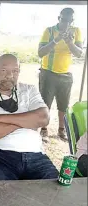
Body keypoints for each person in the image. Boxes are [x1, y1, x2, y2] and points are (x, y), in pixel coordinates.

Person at [0, 54, 59, 180]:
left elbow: (44, 118)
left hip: (36, 156)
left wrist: (1, 118)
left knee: (56, 192)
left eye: (15, 71)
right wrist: (28, 121)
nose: (9, 75)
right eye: (3, 70)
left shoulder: (29, 90)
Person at [38, 7, 83, 141]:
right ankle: (44, 129)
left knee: (63, 104)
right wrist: (56, 40)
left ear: (72, 21)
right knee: (46, 103)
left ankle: (61, 130)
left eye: (70, 21)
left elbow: (79, 53)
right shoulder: (50, 31)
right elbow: (40, 52)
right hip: (48, 72)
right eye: (64, 20)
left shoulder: (76, 31)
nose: (67, 24)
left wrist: (69, 42)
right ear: (59, 18)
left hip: (66, 73)